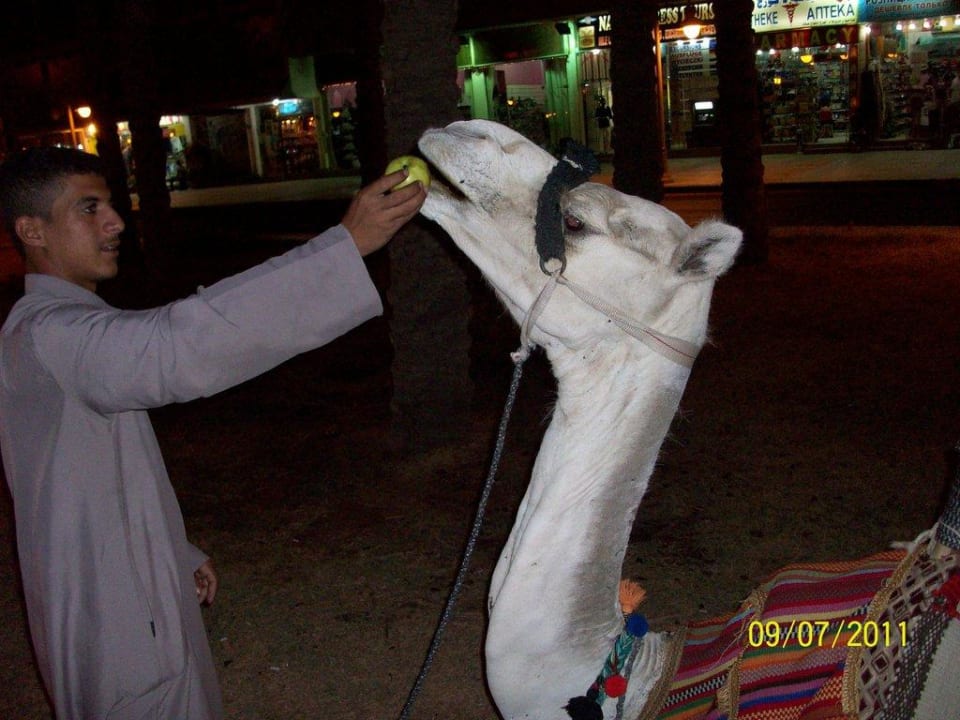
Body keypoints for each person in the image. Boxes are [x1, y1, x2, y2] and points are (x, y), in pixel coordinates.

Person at [0, 146, 425, 719]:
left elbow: (96, 476)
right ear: (32, 230)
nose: (115, 221)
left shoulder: (52, 329)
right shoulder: (55, 334)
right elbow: (180, 344)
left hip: (124, 593)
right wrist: (344, 247)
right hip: (118, 619)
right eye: (88, 208)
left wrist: (173, 550)